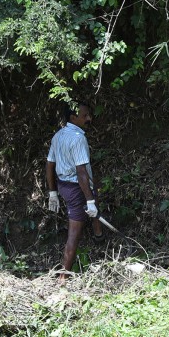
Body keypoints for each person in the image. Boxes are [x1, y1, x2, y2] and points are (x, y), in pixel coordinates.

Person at [45, 101, 105, 272]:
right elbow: (81, 172)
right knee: (74, 234)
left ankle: (99, 236)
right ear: (73, 118)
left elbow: (50, 164)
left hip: (64, 185)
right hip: (76, 190)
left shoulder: (58, 136)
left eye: (89, 115)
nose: (89, 119)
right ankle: (63, 277)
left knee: (93, 195)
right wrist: (89, 201)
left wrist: (53, 192)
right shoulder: (78, 138)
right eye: (84, 116)